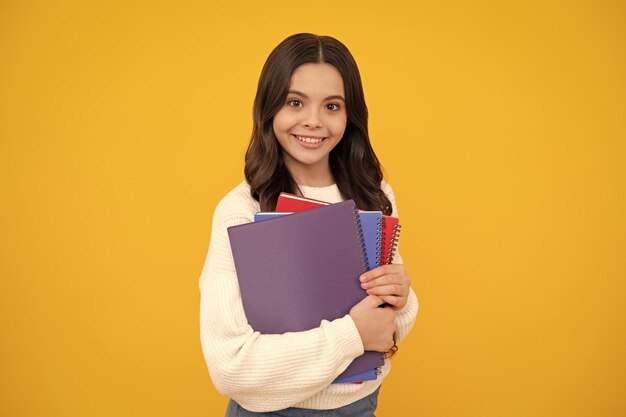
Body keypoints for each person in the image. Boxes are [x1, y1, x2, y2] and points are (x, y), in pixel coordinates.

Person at [199, 33, 418, 416]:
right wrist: (352, 334)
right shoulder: (239, 211)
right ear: (269, 108)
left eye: (332, 106)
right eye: (295, 102)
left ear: (350, 115)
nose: (314, 121)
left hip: (361, 405)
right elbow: (229, 366)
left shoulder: (374, 194)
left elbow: (389, 326)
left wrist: (401, 297)